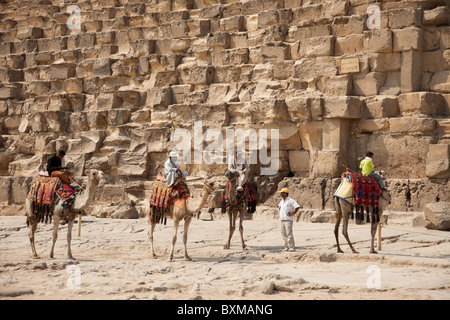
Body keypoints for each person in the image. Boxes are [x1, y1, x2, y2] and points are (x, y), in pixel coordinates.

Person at [277, 188, 300, 252]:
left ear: (285, 193)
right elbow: (279, 207)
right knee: (283, 233)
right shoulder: (281, 201)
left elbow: (297, 206)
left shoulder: (290, 200)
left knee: (289, 233)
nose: (280, 194)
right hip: (282, 219)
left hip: (288, 219)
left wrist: (293, 213)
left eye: (281, 192)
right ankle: (286, 246)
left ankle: (292, 247)